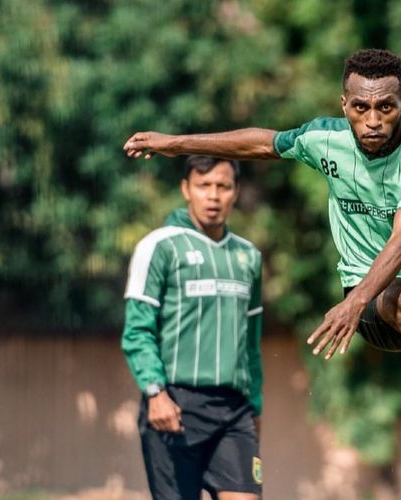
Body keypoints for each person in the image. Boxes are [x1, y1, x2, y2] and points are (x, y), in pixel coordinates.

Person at [123, 49, 401, 499]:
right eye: (360, 107)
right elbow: (261, 143)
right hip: (377, 295)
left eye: (385, 107)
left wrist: (351, 306)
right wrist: (175, 142)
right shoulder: (324, 140)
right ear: (344, 106)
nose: (373, 120)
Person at [121, 155, 264, 500]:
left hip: (234, 410)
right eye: (204, 185)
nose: (213, 196)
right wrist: (155, 393)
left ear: (235, 191)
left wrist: (256, 406)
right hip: (175, 405)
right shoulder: (158, 247)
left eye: (223, 186)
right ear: (186, 189)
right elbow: (137, 331)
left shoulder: (249, 257)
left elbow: (251, 344)